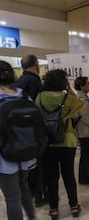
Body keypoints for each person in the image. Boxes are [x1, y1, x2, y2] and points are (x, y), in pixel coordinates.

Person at [0, 61, 41, 220]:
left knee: (12, 198)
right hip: (26, 153)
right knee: (23, 187)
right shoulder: (23, 95)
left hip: (5, 158)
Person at [36, 70, 83, 220]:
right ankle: (74, 206)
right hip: (67, 141)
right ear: (63, 82)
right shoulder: (68, 98)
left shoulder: (40, 97)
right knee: (68, 175)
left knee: (51, 177)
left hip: (47, 142)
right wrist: (69, 89)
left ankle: (54, 209)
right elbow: (82, 107)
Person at [15, 54, 47, 207]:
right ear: (36, 66)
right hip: (33, 129)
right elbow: (38, 107)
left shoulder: (18, 82)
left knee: (27, 165)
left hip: (19, 130)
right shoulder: (34, 81)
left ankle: (28, 193)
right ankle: (38, 196)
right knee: (38, 165)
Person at [74, 76, 89, 185]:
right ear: (82, 86)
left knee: (88, 154)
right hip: (85, 131)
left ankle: (86, 173)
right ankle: (84, 177)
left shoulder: (83, 98)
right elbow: (86, 117)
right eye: (88, 84)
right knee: (86, 155)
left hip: (86, 131)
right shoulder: (81, 100)